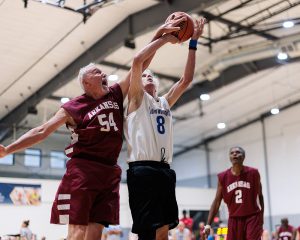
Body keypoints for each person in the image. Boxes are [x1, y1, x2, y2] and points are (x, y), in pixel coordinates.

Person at [0, 21, 181, 240]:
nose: (104, 75)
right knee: (77, 232)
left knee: (96, 233)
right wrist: (9, 149)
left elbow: (139, 65)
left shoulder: (114, 93)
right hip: (83, 170)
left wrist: (159, 33)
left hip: (109, 172)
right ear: (86, 82)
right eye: (98, 73)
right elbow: (42, 130)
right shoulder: (73, 107)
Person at [124, 17, 206, 240]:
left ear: (157, 85)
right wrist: (164, 38)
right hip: (142, 169)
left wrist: (193, 42)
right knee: (147, 230)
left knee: (164, 229)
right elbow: (137, 61)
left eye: (151, 76)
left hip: (165, 170)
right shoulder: (136, 99)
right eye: (144, 76)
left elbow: (186, 80)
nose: (147, 76)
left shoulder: (164, 102)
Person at [204, 146, 264, 240]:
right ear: (230, 158)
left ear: (243, 157)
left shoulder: (254, 173)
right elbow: (217, 202)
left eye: (237, 152)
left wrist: (261, 217)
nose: (234, 154)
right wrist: (208, 224)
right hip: (234, 219)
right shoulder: (223, 177)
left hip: (252, 217)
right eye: (232, 153)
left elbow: (260, 196)